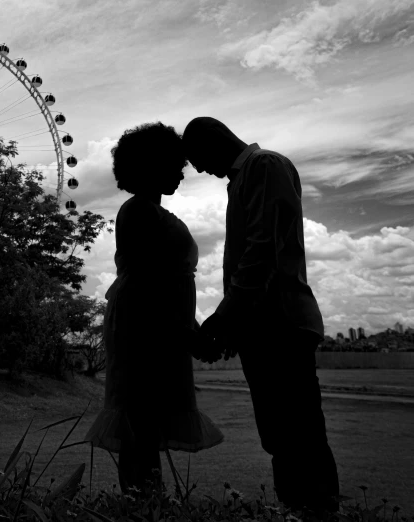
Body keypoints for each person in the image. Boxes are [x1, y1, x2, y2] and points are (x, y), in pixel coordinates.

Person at [182, 116, 339, 512]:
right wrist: (232, 329)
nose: (200, 169)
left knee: (296, 435)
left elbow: (262, 251)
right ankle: (301, 509)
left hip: (280, 327)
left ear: (215, 140)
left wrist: (222, 320)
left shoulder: (265, 167)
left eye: (197, 158)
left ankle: (314, 510)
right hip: (266, 328)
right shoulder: (247, 177)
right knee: (282, 436)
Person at [84, 122, 224, 494]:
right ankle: (143, 504)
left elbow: (164, 289)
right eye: (173, 166)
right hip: (144, 329)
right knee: (141, 421)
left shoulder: (145, 211)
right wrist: (188, 335)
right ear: (152, 165)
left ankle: (146, 504)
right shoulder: (139, 212)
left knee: (147, 422)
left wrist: (190, 331)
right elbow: (150, 290)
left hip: (160, 326)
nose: (181, 174)